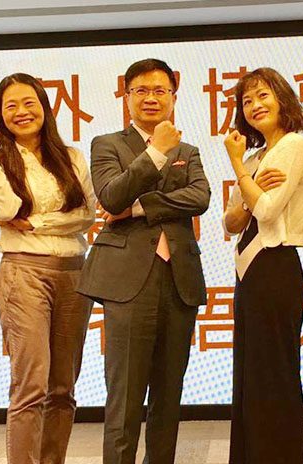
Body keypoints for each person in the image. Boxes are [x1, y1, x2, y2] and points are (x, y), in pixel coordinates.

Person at [77, 58, 210, 464]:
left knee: (169, 395)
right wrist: (155, 151)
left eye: (160, 91)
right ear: (127, 96)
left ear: (173, 97)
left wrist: (140, 207)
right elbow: (112, 195)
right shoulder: (106, 144)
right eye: (142, 91)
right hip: (127, 283)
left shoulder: (189, 150)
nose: (151, 98)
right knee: (125, 395)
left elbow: (200, 197)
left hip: (179, 279)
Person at [0, 73, 96, 464]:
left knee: (63, 387)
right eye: (10, 106)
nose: (21, 112)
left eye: (29, 103)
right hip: (24, 273)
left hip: (74, 272)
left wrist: (37, 222)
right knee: (31, 385)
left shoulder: (71, 156)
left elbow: (86, 215)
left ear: (45, 107)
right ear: (0, 114)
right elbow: (5, 209)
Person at [222, 67, 303, 464]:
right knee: (250, 376)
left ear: (282, 99)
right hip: (248, 273)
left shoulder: (294, 145)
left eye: (263, 96)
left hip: (275, 266)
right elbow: (231, 221)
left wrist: (240, 171)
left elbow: (269, 211)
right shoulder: (257, 157)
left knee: (274, 376)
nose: (255, 105)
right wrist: (250, 182)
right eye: (247, 101)